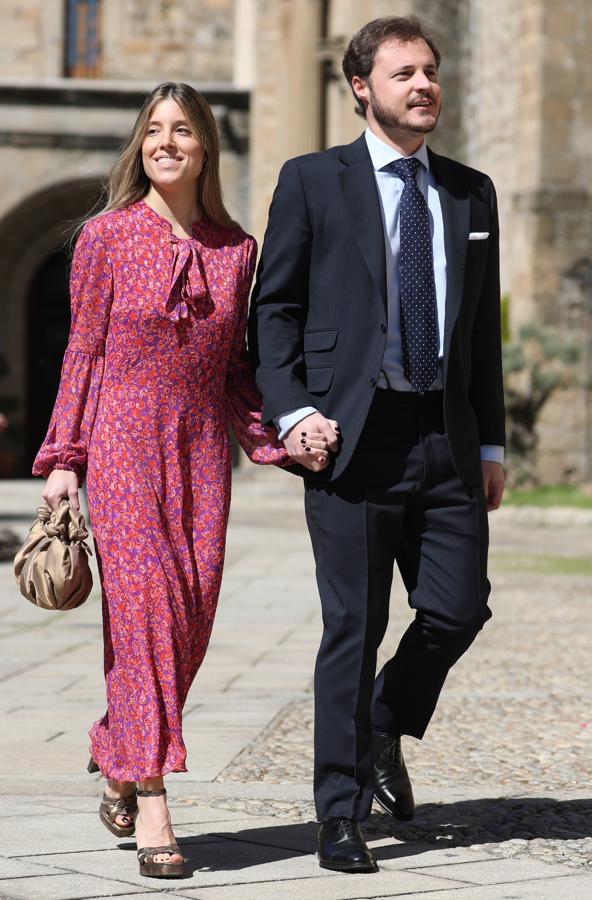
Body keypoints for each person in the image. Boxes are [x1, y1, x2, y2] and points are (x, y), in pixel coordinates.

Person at [249, 16, 505, 874]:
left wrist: (494, 442)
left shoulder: (471, 192)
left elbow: (480, 339)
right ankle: (341, 814)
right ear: (362, 86)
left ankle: (386, 721)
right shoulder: (314, 181)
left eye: (431, 71)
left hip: (446, 435)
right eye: (405, 73)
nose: (424, 85)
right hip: (351, 441)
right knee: (352, 629)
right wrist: (291, 414)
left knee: (459, 607)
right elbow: (272, 311)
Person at [33, 82, 292, 879]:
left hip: (198, 451)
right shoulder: (105, 237)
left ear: (206, 145)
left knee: (190, 611)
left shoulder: (236, 249)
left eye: (183, 130)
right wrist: (64, 460)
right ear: (139, 145)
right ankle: (152, 803)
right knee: (144, 613)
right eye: (154, 130)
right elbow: (82, 352)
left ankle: (117, 748)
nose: (167, 142)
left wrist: (279, 439)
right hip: (120, 444)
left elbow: (237, 371)